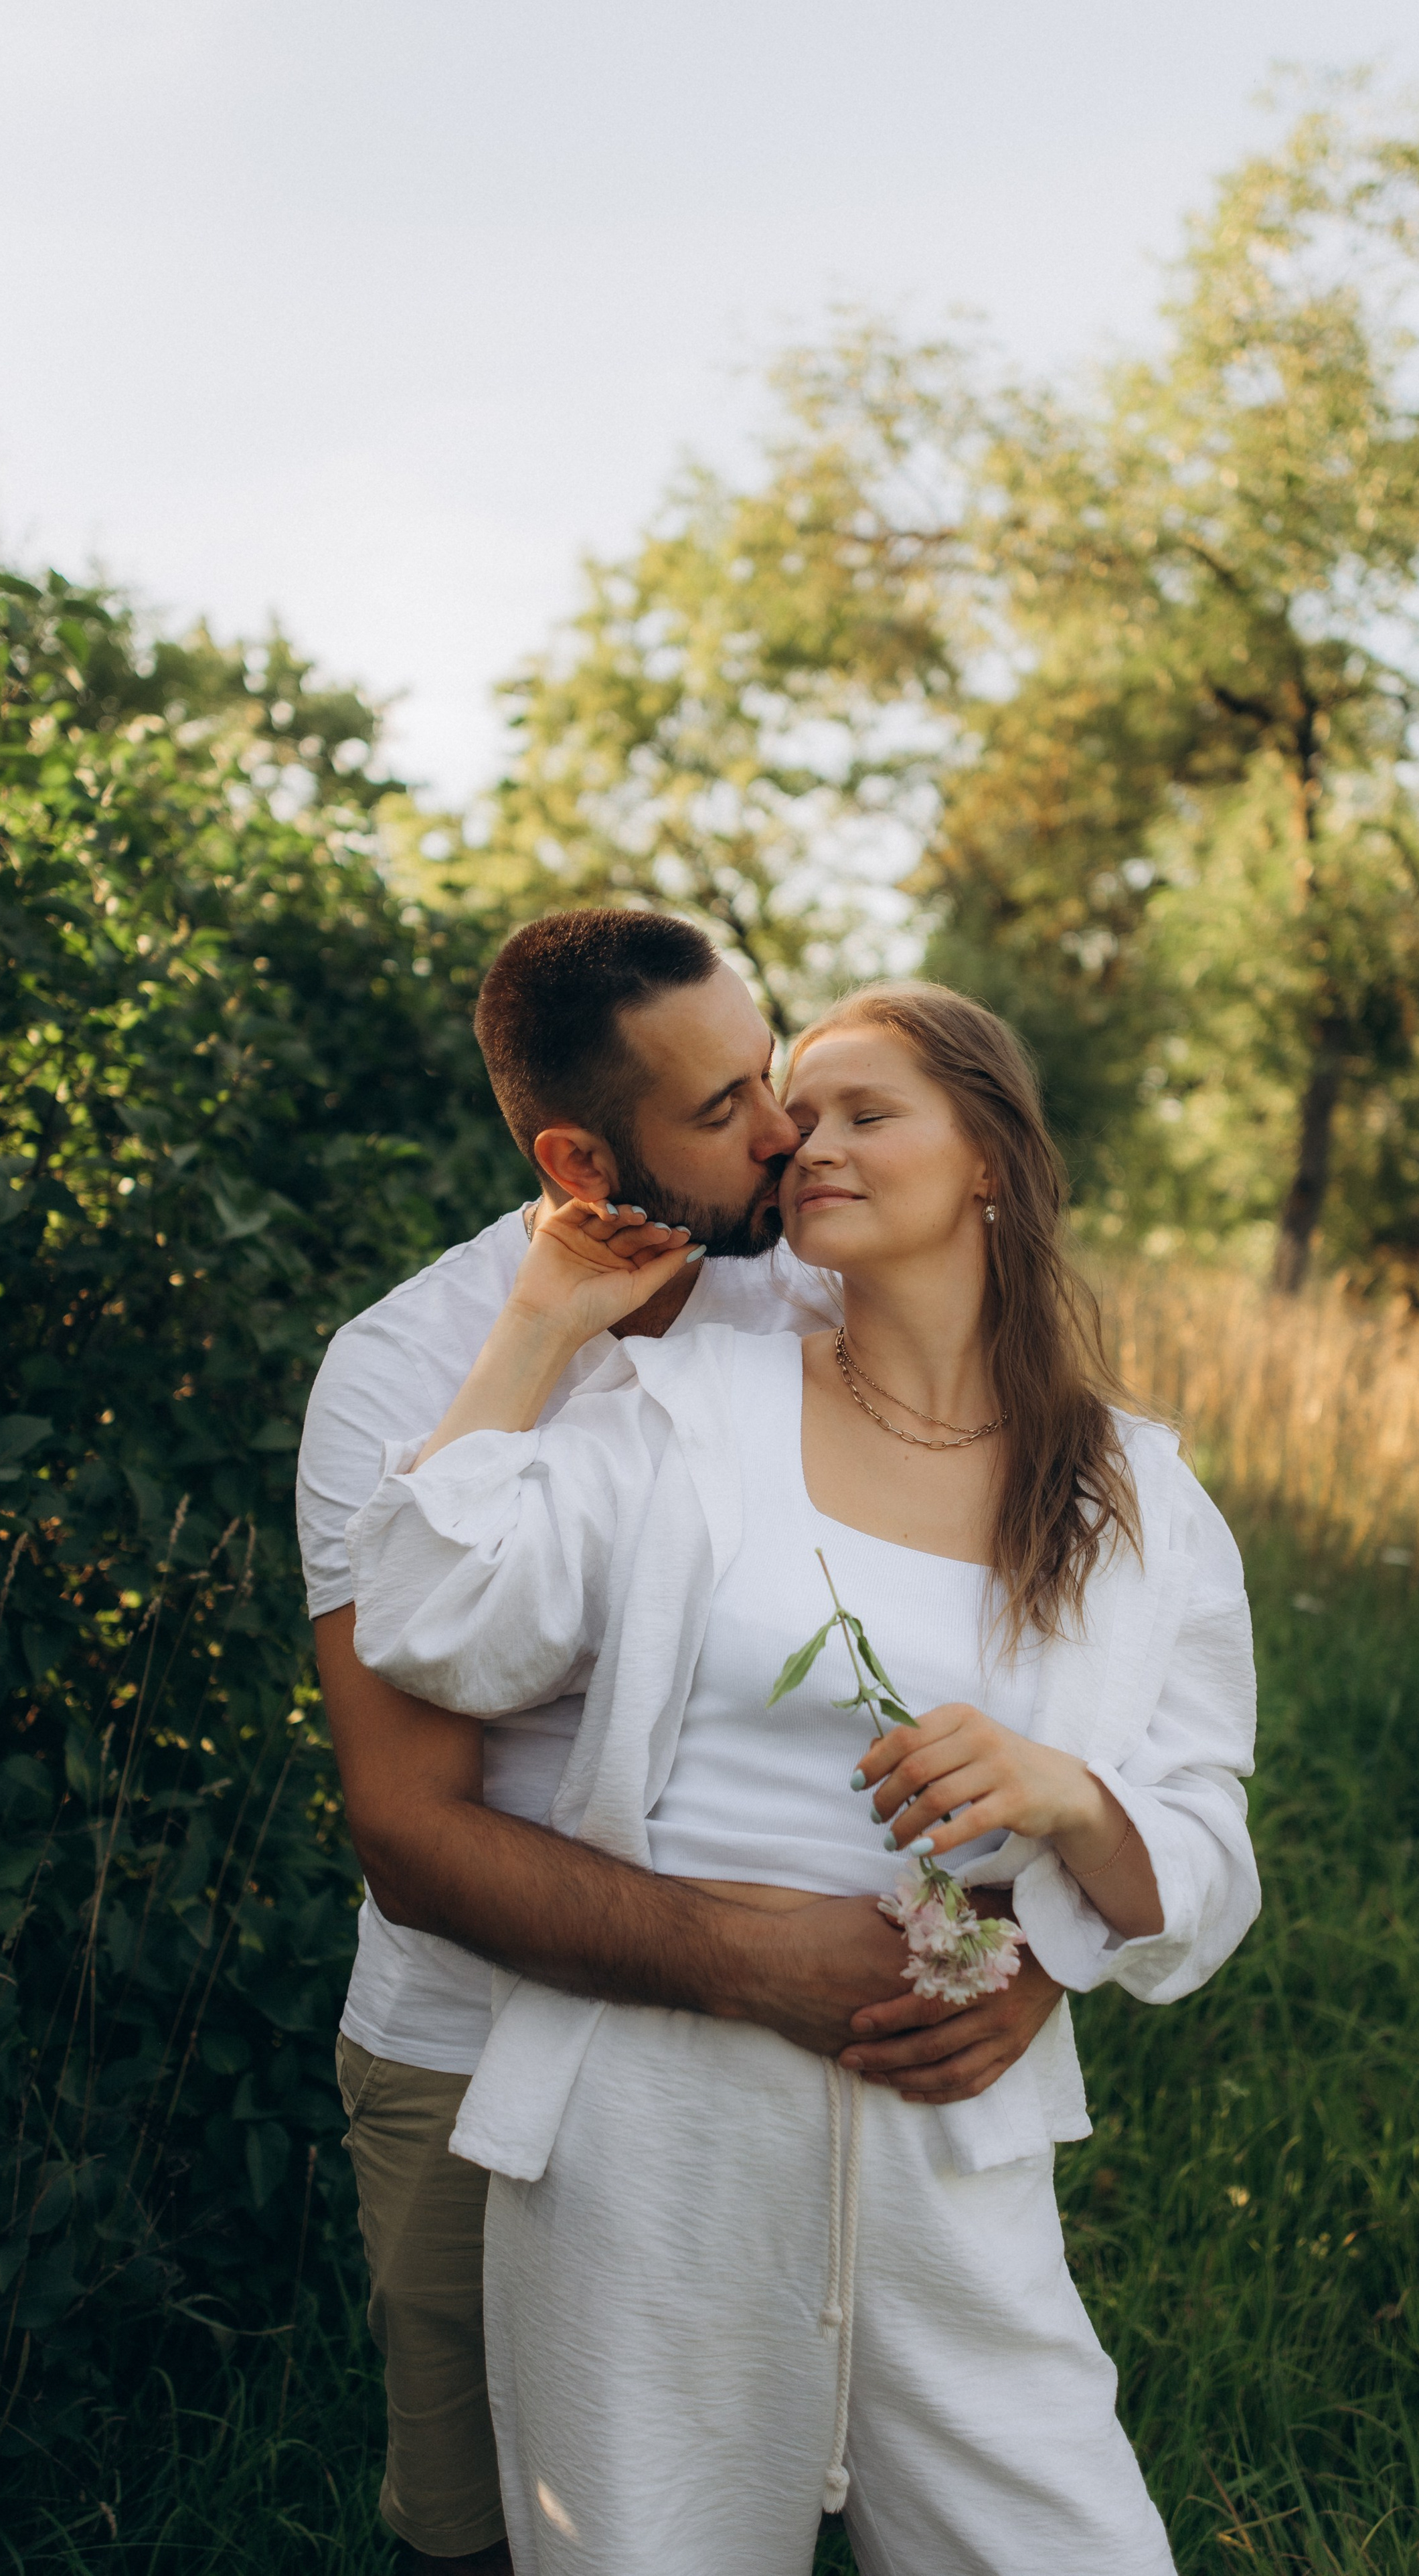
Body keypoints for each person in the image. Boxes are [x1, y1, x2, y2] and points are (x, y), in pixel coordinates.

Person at [349, 981, 1261, 2576]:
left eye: (861, 1112)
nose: (802, 1146)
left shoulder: (1139, 1496)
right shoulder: (684, 1409)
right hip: (646, 2142)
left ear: (986, 1153)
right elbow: (437, 1626)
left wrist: (1058, 1801)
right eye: (792, 1111)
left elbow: (1200, 1862)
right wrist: (537, 1325)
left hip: (948, 2141)